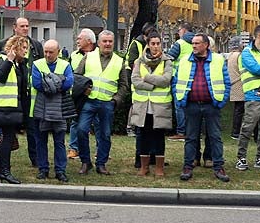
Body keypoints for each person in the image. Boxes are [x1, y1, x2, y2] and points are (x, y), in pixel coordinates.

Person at [174, 32, 232, 182]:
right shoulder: (184, 61)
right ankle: (187, 166)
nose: (193, 46)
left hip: (211, 105)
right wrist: (180, 99)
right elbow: (176, 81)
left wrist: (221, 101)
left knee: (215, 137)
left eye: (197, 43)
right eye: (192, 43)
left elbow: (226, 82)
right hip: (191, 105)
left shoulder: (218, 60)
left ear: (206, 45)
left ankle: (218, 166)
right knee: (191, 138)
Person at [74, 29, 130, 175]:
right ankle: (86, 162)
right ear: (98, 43)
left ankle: (101, 163)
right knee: (81, 130)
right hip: (89, 101)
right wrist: (83, 89)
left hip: (107, 103)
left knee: (105, 134)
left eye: (110, 41)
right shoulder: (88, 57)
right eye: (104, 41)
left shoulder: (119, 61)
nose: (107, 44)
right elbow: (77, 76)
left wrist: (115, 100)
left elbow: (124, 85)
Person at [0, 17, 44, 166]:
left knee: (32, 127)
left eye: (27, 26)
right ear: (14, 27)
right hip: (10, 97)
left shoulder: (36, 46)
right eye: (22, 26)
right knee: (7, 130)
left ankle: (35, 158)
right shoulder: (4, 46)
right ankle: (4, 159)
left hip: (29, 94)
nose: (25, 28)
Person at [0, 35, 30, 184]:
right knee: (7, 139)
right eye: (23, 48)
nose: (26, 51)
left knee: (8, 139)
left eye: (26, 48)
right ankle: (4, 170)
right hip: (3, 106)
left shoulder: (20, 64)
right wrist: (9, 60)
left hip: (11, 108)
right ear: (15, 47)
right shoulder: (3, 59)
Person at [129, 32, 173, 177]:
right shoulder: (139, 61)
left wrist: (147, 78)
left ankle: (159, 168)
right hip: (142, 105)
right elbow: (135, 80)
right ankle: (144, 167)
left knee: (158, 136)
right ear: (148, 45)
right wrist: (152, 85)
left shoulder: (167, 61)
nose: (155, 47)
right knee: (143, 136)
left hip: (160, 106)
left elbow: (166, 80)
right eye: (152, 44)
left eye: (157, 43)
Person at [31, 39, 73, 182]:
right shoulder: (37, 64)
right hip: (41, 110)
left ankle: (60, 170)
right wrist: (58, 81)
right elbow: (37, 84)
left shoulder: (65, 65)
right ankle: (43, 169)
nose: (48, 55)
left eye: (51, 52)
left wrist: (49, 82)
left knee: (59, 141)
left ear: (58, 52)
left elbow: (69, 83)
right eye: (46, 52)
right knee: (40, 141)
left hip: (59, 110)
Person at [236, 24, 260, 171]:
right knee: (247, 128)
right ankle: (241, 158)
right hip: (253, 95)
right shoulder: (246, 53)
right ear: (259, 35)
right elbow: (256, 69)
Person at [68, 28, 97, 159]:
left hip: (95, 94)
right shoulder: (74, 55)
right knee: (76, 121)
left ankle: (100, 150)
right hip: (79, 95)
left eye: (80, 38)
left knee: (98, 123)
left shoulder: (98, 54)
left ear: (89, 41)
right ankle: (74, 148)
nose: (77, 40)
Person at [166, 24, 195, 138]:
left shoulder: (180, 43)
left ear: (184, 30)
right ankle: (193, 130)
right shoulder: (198, 42)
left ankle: (181, 132)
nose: (178, 33)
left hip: (179, 78)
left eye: (179, 30)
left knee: (179, 106)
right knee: (192, 105)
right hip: (193, 77)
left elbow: (169, 58)